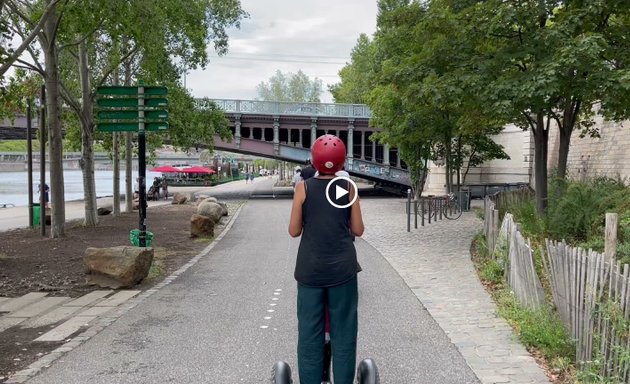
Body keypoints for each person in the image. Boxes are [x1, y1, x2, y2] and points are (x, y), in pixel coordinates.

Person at [288, 134, 364, 384]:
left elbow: (294, 230)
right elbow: (358, 230)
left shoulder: (303, 188)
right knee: (343, 330)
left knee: (310, 331)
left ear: (314, 160)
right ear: (341, 162)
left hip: (310, 270)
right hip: (342, 270)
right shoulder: (348, 188)